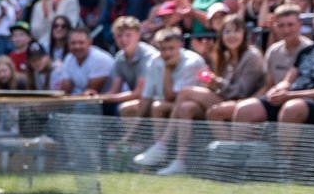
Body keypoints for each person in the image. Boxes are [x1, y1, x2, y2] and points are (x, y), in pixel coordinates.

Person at [151, 17, 267, 175]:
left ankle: (162, 144)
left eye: (236, 31)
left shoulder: (252, 56)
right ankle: (180, 161)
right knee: (186, 107)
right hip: (228, 98)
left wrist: (215, 82)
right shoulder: (225, 56)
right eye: (227, 31)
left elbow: (240, 91)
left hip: (245, 102)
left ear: (244, 34)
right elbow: (219, 85)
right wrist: (207, 60)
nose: (231, 35)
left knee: (185, 92)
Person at [232, 2, 314, 126]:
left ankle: (284, 148)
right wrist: (278, 90)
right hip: (292, 98)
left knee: (291, 108)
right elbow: (288, 81)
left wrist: (289, 96)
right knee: (245, 108)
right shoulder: (308, 50)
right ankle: (240, 147)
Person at [130, 28, 207, 170]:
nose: (167, 53)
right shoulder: (154, 61)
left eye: (171, 48)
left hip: (197, 107)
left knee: (179, 107)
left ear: (181, 45)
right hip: (171, 105)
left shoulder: (193, 61)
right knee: (149, 107)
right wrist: (130, 133)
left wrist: (167, 69)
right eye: (163, 49)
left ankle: (168, 153)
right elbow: (146, 96)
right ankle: (156, 153)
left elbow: (172, 96)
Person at [104, 16, 159, 118]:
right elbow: (114, 91)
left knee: (125, 109)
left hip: (156, 99)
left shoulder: (149, 56)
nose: (123, 39)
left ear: (138, 35)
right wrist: (96, 97)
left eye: (128, 35)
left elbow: (139, 93)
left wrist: (103, 98)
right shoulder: (119, 57)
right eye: (119, 36)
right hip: (141, 99)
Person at [262, 4, 313, 87]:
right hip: (275, 96)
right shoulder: (273, 51)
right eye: (281, 25)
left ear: (300, 23)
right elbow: (268, 86)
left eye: (290, 25)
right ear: (275, 26)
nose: (286, 30)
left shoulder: (311, 50)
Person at [59, 26, 115, 95]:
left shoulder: (100, 59)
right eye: (73, 43)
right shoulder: (69, 59)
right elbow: (65, 90)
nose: (77, 46)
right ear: (68, 44)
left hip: (110, 103)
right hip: (85, 102)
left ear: (89, 43)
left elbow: (90, 93)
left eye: (81, 42)